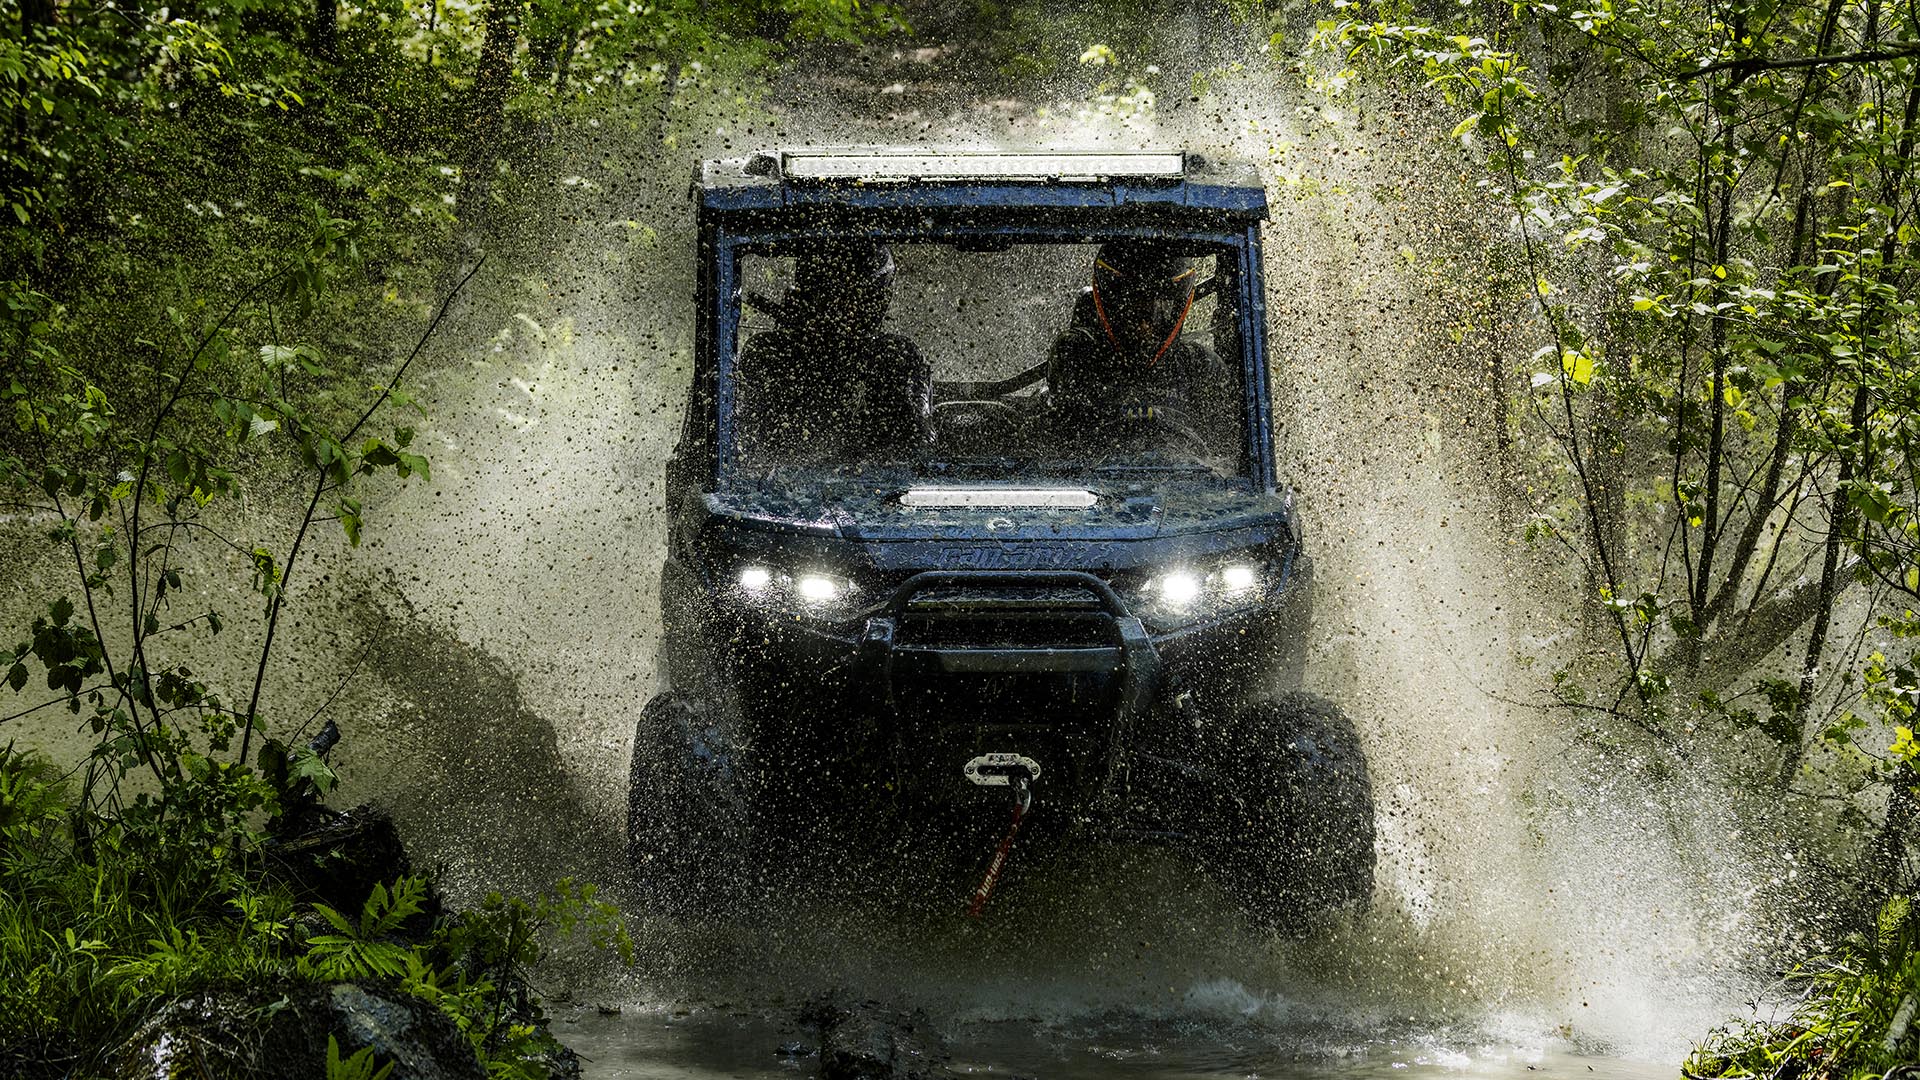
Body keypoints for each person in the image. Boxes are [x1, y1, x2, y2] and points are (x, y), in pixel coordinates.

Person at [734, 241, 931, 463]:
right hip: (775, 489)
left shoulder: (897, 358)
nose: (851, 308)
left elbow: (918, 454)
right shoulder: (769, 354)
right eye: (836, 295)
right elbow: (741, 449)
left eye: (864, 298)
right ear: (811, 292)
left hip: (878, 488)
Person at [1046, 240, 1235, 460]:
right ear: (1109, 305)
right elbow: (1065, 451)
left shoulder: (1201, 368)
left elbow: (1229, 466)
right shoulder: (1077, 357)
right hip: (1095, 488)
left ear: (1177, 307)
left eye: (1159, 309)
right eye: (1133, 311)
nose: (1145, 326)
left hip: (1183, 489)